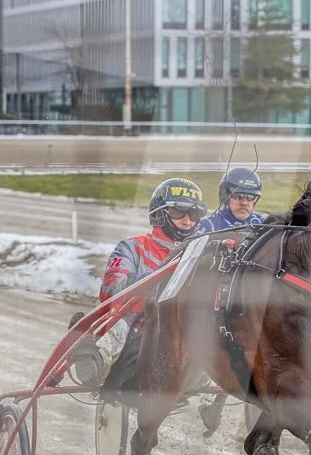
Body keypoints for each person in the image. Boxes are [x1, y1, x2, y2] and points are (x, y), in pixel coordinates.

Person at [87, 179, 206, 408]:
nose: (187, 220)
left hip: (177, 331)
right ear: (160, 214)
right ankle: (94, 361)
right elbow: (111, 290)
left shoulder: (199, 254)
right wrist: (159, 282)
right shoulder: (132, 247)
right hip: (133, 326)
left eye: (193, 214)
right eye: (178, 211)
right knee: (118, 325)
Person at [197, 166, 264, 233]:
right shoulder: (208, 225)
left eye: (250, 197)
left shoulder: (262, 223)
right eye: (238, 196)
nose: (244, 203)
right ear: (225, 196)